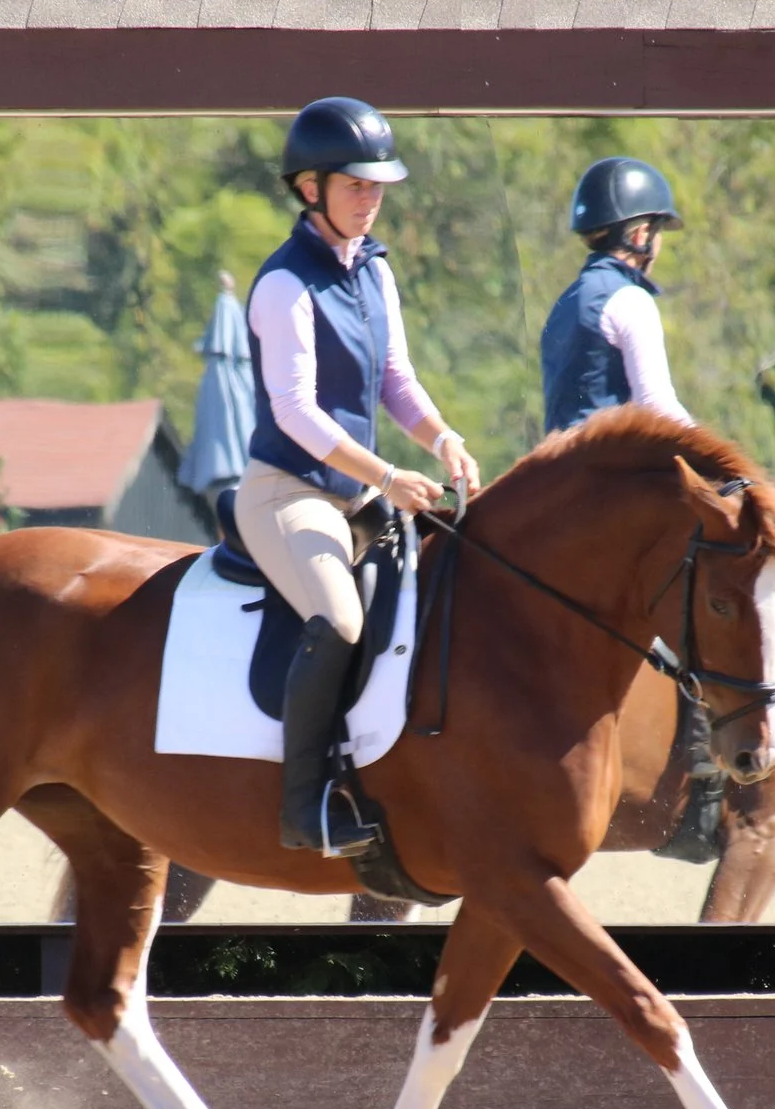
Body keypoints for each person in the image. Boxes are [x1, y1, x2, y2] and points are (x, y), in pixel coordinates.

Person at [237, 96, 483, 856]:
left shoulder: (375, 271)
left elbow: (396, 381)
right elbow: (298, 414)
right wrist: (386, 474)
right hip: (288, 493)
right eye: (355, 185)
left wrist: (442, 437)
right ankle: (304, 806)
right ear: (309, 187)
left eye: (378, 186)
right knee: (341, 620)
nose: (371, 200)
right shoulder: (285, 285)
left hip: (357, 493)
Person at [540, 156, 690, 436]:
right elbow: (656, 405)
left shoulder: (565, 302)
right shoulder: (631, 300)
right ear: (641, 235)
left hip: (555, 466)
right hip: (606, 467)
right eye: (658, 233)